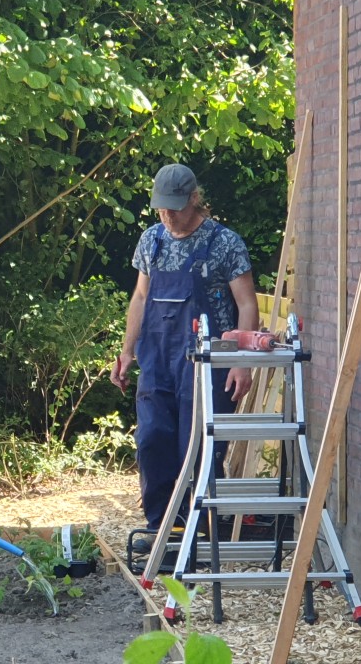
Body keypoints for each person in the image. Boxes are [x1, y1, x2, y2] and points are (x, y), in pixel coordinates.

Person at [109, 163, 259, 552]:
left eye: (175, 206)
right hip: (158, 358)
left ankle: (201, 526)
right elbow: (140, 298)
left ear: (194, 198)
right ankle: (163, 529)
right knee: (153, 438)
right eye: (161, 207)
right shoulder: (152, 241)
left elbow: (246, 305)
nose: (168, 214)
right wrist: (127, 352)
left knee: (199, 445)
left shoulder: (225, 243)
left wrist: (242, 362)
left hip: (210, 362)